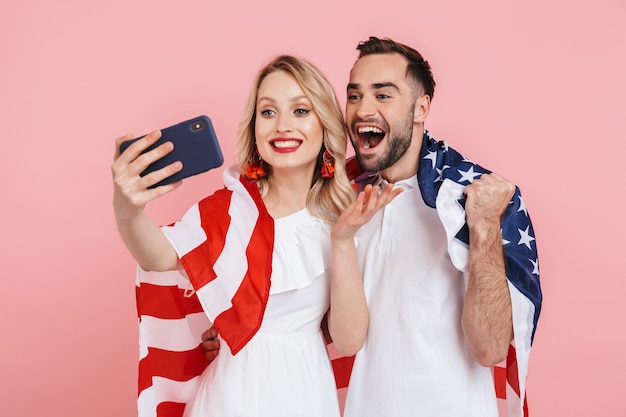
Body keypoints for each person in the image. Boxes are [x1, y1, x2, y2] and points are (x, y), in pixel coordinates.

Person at [199, 37, 542, 417]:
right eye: (355, 95)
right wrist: (248, 328)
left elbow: (491, 348)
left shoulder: (469, 198)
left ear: (421, 107)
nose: (364, 109)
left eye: (383, 96)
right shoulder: (340, 197)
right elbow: (327, 319)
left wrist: (483, 226)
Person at [112, 55, 400, 417]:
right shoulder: (230, 209)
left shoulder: (348, 214)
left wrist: (342, 241)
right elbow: (155, 255)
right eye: (268, 112)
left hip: (306, 393)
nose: (282, 126)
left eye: (300, 111)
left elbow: (349, 339)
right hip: (230, 395)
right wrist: (127, 207)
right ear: (254, 128)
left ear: (324, 123)